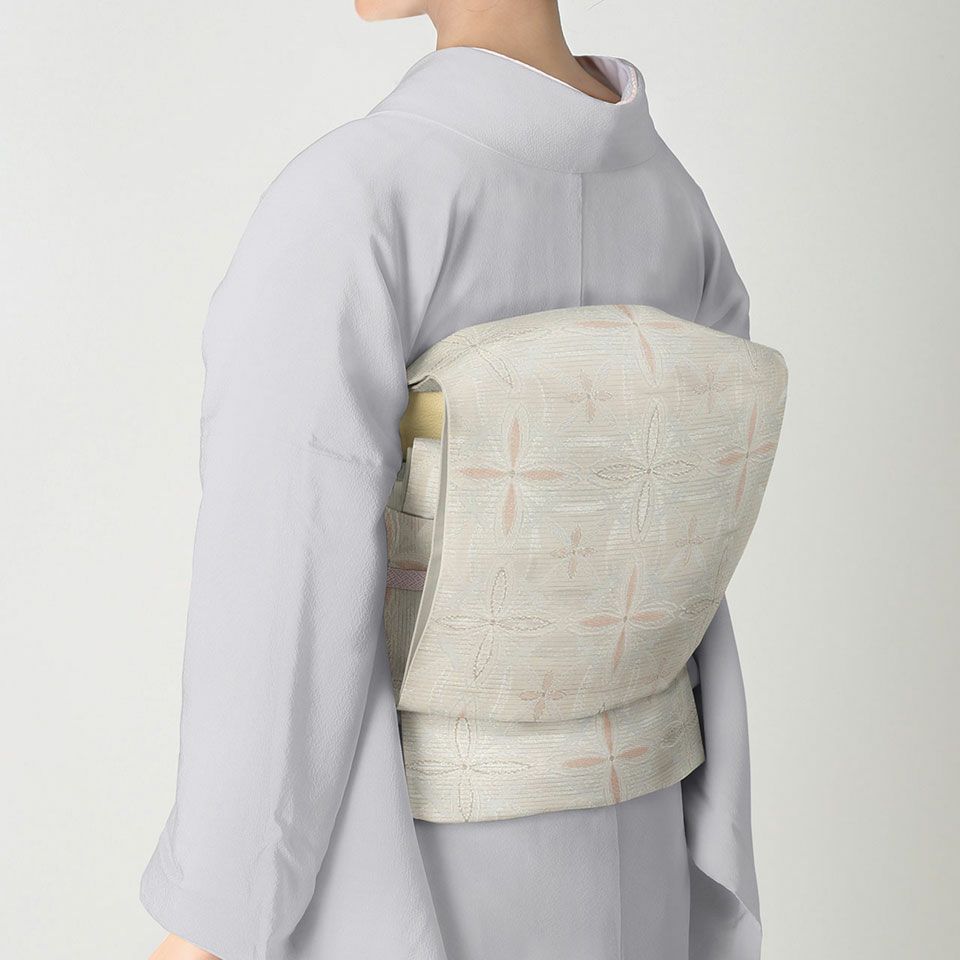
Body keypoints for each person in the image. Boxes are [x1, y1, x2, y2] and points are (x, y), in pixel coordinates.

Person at [143, 2, 762, 958]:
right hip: (645, 848)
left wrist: (214, 914)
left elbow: (284, 570)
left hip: (414, 871)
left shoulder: (359, 196)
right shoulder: (677, 206)